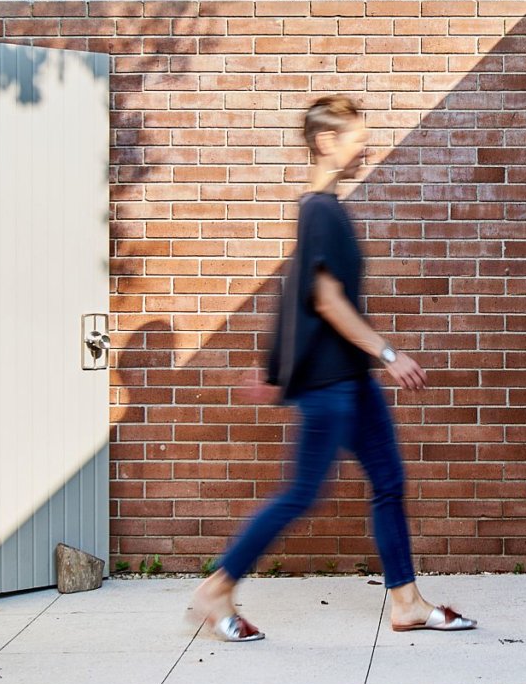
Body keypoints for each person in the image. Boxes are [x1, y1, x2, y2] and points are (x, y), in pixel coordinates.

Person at [187, 94, 477, 644]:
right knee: (301, 493)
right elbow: (323, 298)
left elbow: (291, 288)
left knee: (389, 481)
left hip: (351, 381)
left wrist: (273, 367)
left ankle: (407, 602)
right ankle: (217, 587)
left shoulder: (326, 209)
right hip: (331, 385)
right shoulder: (319, 209)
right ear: (325, 141)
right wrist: (389, 355)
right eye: (355, 137)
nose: (365, 146)